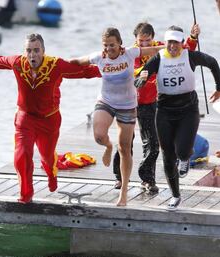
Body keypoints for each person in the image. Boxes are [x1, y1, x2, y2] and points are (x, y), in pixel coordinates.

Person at [0, 33, 101, 203]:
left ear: (43, 51)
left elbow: (83, 71)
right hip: (25, 119)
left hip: (49, 120)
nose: (32, 55)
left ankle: (51, 174)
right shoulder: (18, 62)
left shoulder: (55, 65)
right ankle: (25, 195)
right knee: (21, 155)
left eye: (36, 50)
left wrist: (114, 69)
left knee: (47, 157)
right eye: (29, 50)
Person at [70, 27, 163, 206]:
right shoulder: (99, 56)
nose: (108, 48)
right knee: (98, 136)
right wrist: (54, 63)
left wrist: (176, 47)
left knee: (125, 148)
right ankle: (107, 146)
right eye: (105, 45)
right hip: (106, 101)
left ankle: (124, 192)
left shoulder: (129, 53)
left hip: (127, 105)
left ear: (120, 43)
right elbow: (77, 62)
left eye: (112, 45)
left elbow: (152, 50)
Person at [135, 25, 220, 209]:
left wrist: (219, 87)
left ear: (182, 43)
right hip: (164, 110)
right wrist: (141, 78)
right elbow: (141, 73)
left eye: (176, 42)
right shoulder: (159, 57)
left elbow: (213, 63)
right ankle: (175, 195)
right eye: (169, 42)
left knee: (182, 151)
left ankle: (184, 158)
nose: (172, 46)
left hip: (188, 110)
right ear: (165, 43)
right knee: (167, 156)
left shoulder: (190, 56)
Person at [113, 22, 199, 194]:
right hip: (128, 102)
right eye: (141, 41)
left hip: (150, 103)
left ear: (153, 39)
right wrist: (142, 73)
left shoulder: (161, 49)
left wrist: (193, 37)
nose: (144, 44)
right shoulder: (130, 53)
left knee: (152, 145)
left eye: (148, 41)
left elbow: (184, 50)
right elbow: (130, 71)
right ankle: (120, 177)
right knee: (125, 142)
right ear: (135, 40)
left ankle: (147, 179)